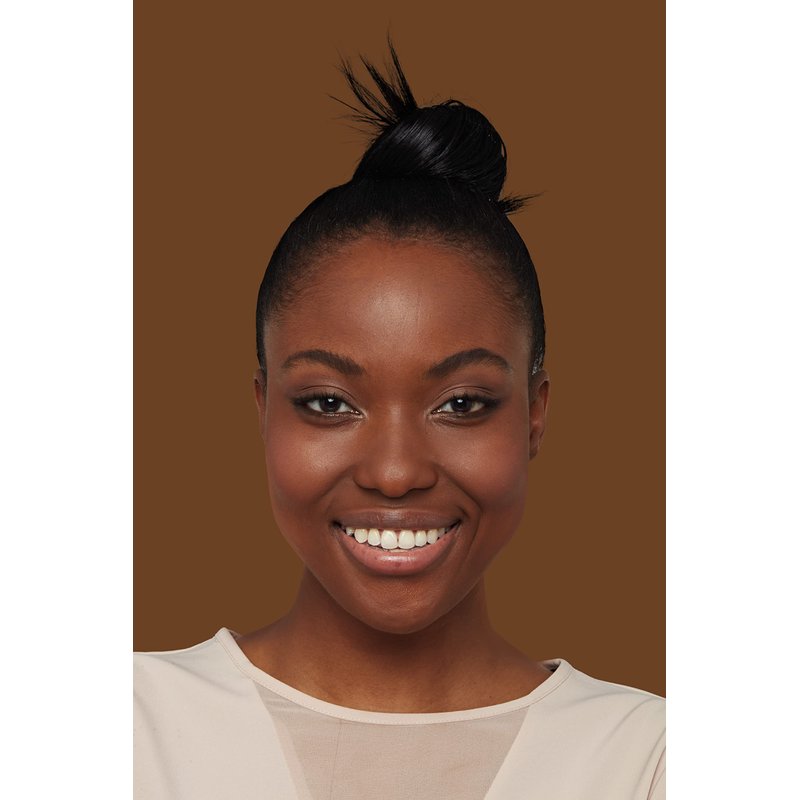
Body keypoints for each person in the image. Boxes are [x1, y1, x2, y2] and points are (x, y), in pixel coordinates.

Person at [134, 43, 665, 799]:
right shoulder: (122, 728)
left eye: (462, 404)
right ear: (263, 410)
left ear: (534, 415)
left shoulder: (650, 758)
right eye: (328, 403)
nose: (394, 472)